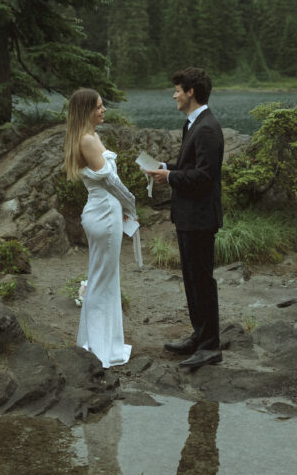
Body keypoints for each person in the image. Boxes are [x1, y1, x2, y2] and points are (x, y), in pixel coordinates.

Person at [145, 67, 224, 370]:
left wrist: (172, 177)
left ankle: (210, 346)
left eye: (177, 90)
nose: (174, 95)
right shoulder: (194, 124)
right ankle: (199, 336)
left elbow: (205, 177)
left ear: (191, 92)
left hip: (201, 218)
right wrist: (167, 168)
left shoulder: (207, 127)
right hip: (189, 216)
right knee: (192, 279)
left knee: (202, 280)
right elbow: (190, 165)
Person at [63, 87, 136, 368]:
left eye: (103, 106)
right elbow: (110, 183)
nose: (103, 110)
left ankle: (104, 344)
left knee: (106, 278)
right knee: (101, 280)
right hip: (104, 213)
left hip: (106, 211)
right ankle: (97, 349)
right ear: (86, 111)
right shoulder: (88, 140)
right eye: (98, 107)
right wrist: (132, 206)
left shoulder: (92, 136)